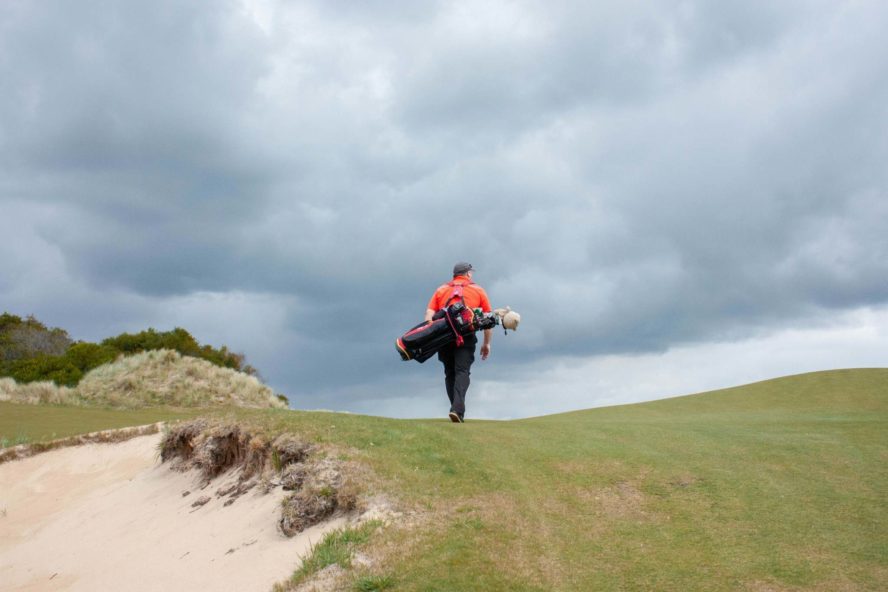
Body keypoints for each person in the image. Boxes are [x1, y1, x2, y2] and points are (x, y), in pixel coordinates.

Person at [425, 262, 492, 423]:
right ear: (468, 274)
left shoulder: (441, 290)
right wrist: (486, 343)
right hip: (466, 336)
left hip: (444, 336)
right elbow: (488, 319)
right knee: (462, 371)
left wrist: (431, 332)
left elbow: (429, 313)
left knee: (450, 372)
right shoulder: (478, 290)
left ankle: (456, 409)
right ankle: (457, 410)